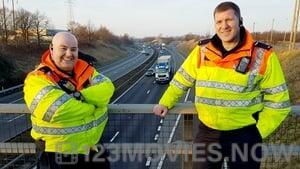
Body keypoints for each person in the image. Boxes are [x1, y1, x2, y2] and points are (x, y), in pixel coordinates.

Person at [153, 1, 291, 169]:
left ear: (240, 21)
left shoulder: (263, 55)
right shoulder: (202, 51)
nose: (224, 26)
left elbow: (279, 102)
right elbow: (181, 80)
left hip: (245, 136)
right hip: (207, 133)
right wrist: (165, 101)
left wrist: (258, 132)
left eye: (229, 20)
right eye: (219, 21)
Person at [23, 32, 114, 169]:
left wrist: (78, 96)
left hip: (92, 149)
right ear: (51, 49)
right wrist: (93, 106)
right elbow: (57, 110)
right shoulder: (37, 79)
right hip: (57, 155)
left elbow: (107, 89)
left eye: (73, 49)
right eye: (63, 48)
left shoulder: (86, 70)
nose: (69, 53)